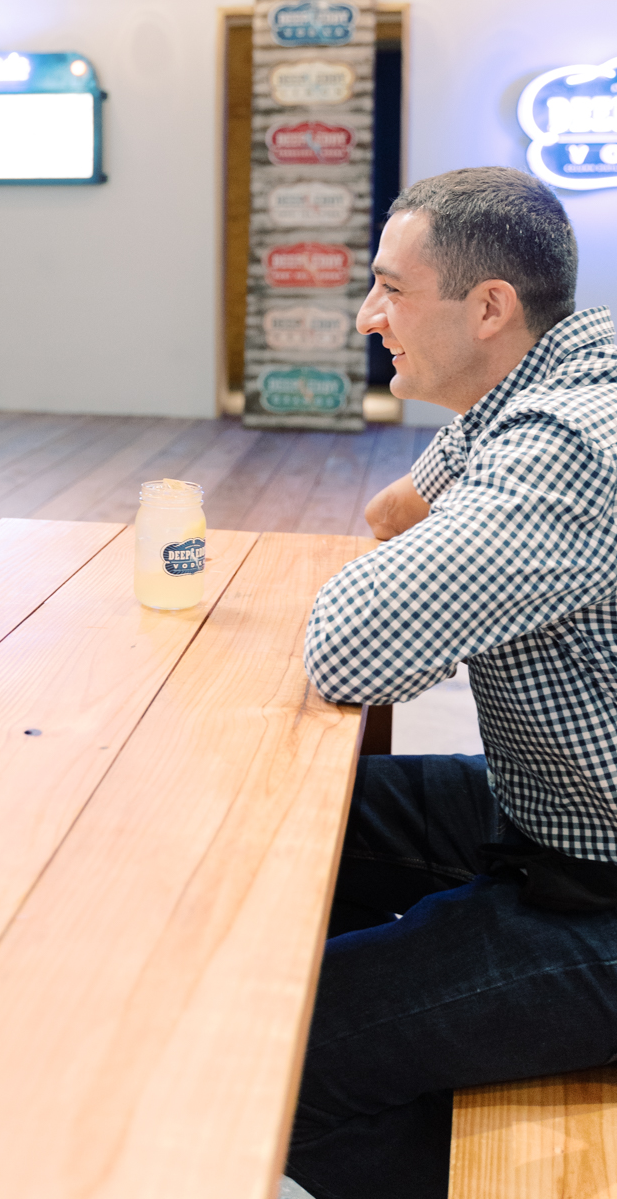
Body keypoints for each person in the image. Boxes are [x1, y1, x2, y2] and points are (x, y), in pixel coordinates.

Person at [284, 167, 617, 1199]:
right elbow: (395, 512)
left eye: (391, 288)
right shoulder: (546, 372)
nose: (366, 312)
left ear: (488, 307)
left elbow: (351, 644)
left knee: (298, 1051)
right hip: (551, 820)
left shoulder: (565, 448)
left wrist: (434, 562)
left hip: (594, 894)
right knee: (309, 821)